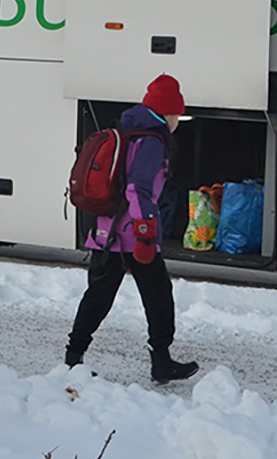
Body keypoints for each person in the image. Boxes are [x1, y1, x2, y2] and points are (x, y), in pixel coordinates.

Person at [65, 74, 200, 383]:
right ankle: (162, 362)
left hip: (106, 230)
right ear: (167, 113)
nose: (178, 119)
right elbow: (137, 189)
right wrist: (145, 229)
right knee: (158, 295)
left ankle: (72, 359)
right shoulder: (152, 141)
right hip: (133, 234)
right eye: (177, 114)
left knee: (99, 294)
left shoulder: (130, 129)